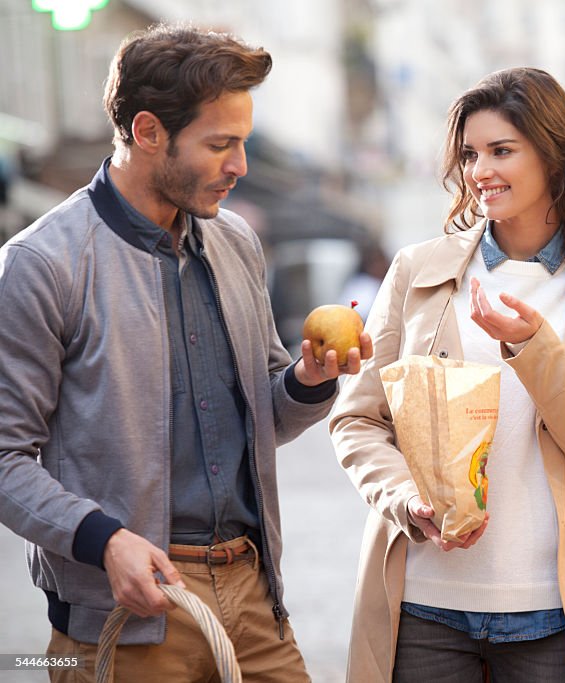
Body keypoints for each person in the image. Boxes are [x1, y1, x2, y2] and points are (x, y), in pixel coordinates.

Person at [0, 23, 370, 682]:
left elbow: (266, 412)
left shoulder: (237, 244)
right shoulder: (40, 263)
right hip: (128, 607)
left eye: (244, 143)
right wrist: (104, 540)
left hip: (254, 599)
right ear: (147, 133)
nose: (241, 166)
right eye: (219, 144)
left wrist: (310, 381)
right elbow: (4, 456)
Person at [331, 67, 565, 683]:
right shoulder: (418, 272)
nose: (480, 171)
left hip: (550, 615)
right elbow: (357, 420)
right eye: (471, 154)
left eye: (502, 151)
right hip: (422, 606)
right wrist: (403, 497)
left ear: (554, 157)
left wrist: (533, 346)